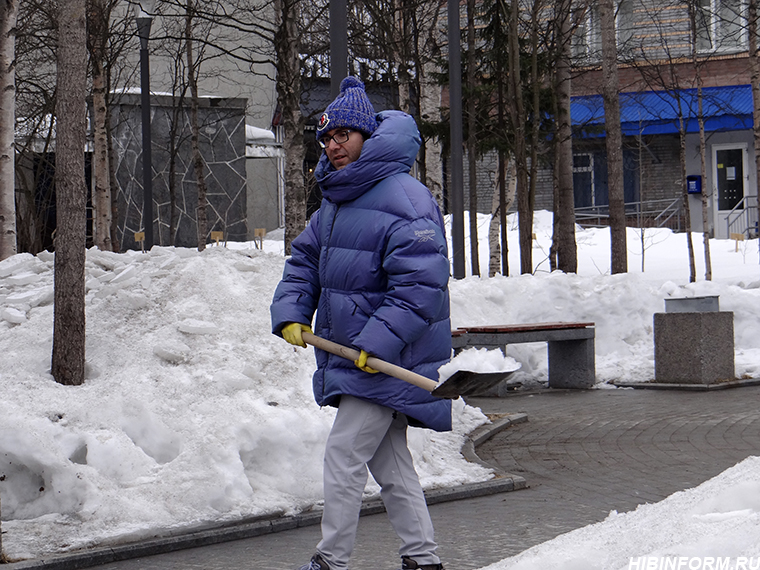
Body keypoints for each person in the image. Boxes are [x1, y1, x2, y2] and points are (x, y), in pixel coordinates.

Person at [270, 76, 451, 570]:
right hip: (358, 353)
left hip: (389, 356)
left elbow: (420, 287)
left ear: (367, 135)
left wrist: (376, 342)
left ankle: (331, 561)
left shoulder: (405, 198)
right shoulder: (338, 198)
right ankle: (423, 559)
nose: (333, 146)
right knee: (390, 464)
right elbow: (305, 260)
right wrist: (291, 311)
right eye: (326, 138)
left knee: (344, 455)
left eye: (342, 136)